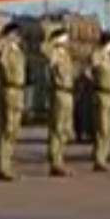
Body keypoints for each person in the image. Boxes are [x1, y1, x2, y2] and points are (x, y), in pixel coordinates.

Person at [0, 21, 26, 183]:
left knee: (14, 131)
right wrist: (5, 37)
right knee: (7, 129)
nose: (18, 37)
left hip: (18, 92)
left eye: (18, 35)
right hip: (9, 90)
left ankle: (8, 165)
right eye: (16, 34)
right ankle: (2, 167)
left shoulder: (18, 52)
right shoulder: (5, 49)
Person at [41, 26, 75, 177]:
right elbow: (43, 49)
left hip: (68, 93)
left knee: (66, 129)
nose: (67, 41)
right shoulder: (54, 53)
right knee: (57, 128)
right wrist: (52, 40)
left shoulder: (66, 55)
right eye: (64, 38)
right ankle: (55, 161)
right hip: (59, 93)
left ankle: (60, 159)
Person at [89, 34, 110, 172]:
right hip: (102, 94)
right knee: (103, 128)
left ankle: (103, 156)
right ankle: (99, 159)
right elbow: (90, 70)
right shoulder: (97, 55)